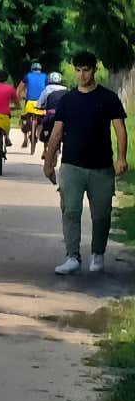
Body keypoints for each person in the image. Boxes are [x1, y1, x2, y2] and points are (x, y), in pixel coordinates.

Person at [42, 51, 128, 275]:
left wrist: (121, 158)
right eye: (78, 70)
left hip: (101, 167)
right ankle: (72, 256)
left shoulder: (108, 98)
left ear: (94, 70)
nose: (82, 75)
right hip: (72, 166)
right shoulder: (68, 99)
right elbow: (56, 133)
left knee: (101, 214)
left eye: (86, 70)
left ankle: (98, 253)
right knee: (70, 211)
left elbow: (120, 130)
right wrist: (49, 162)